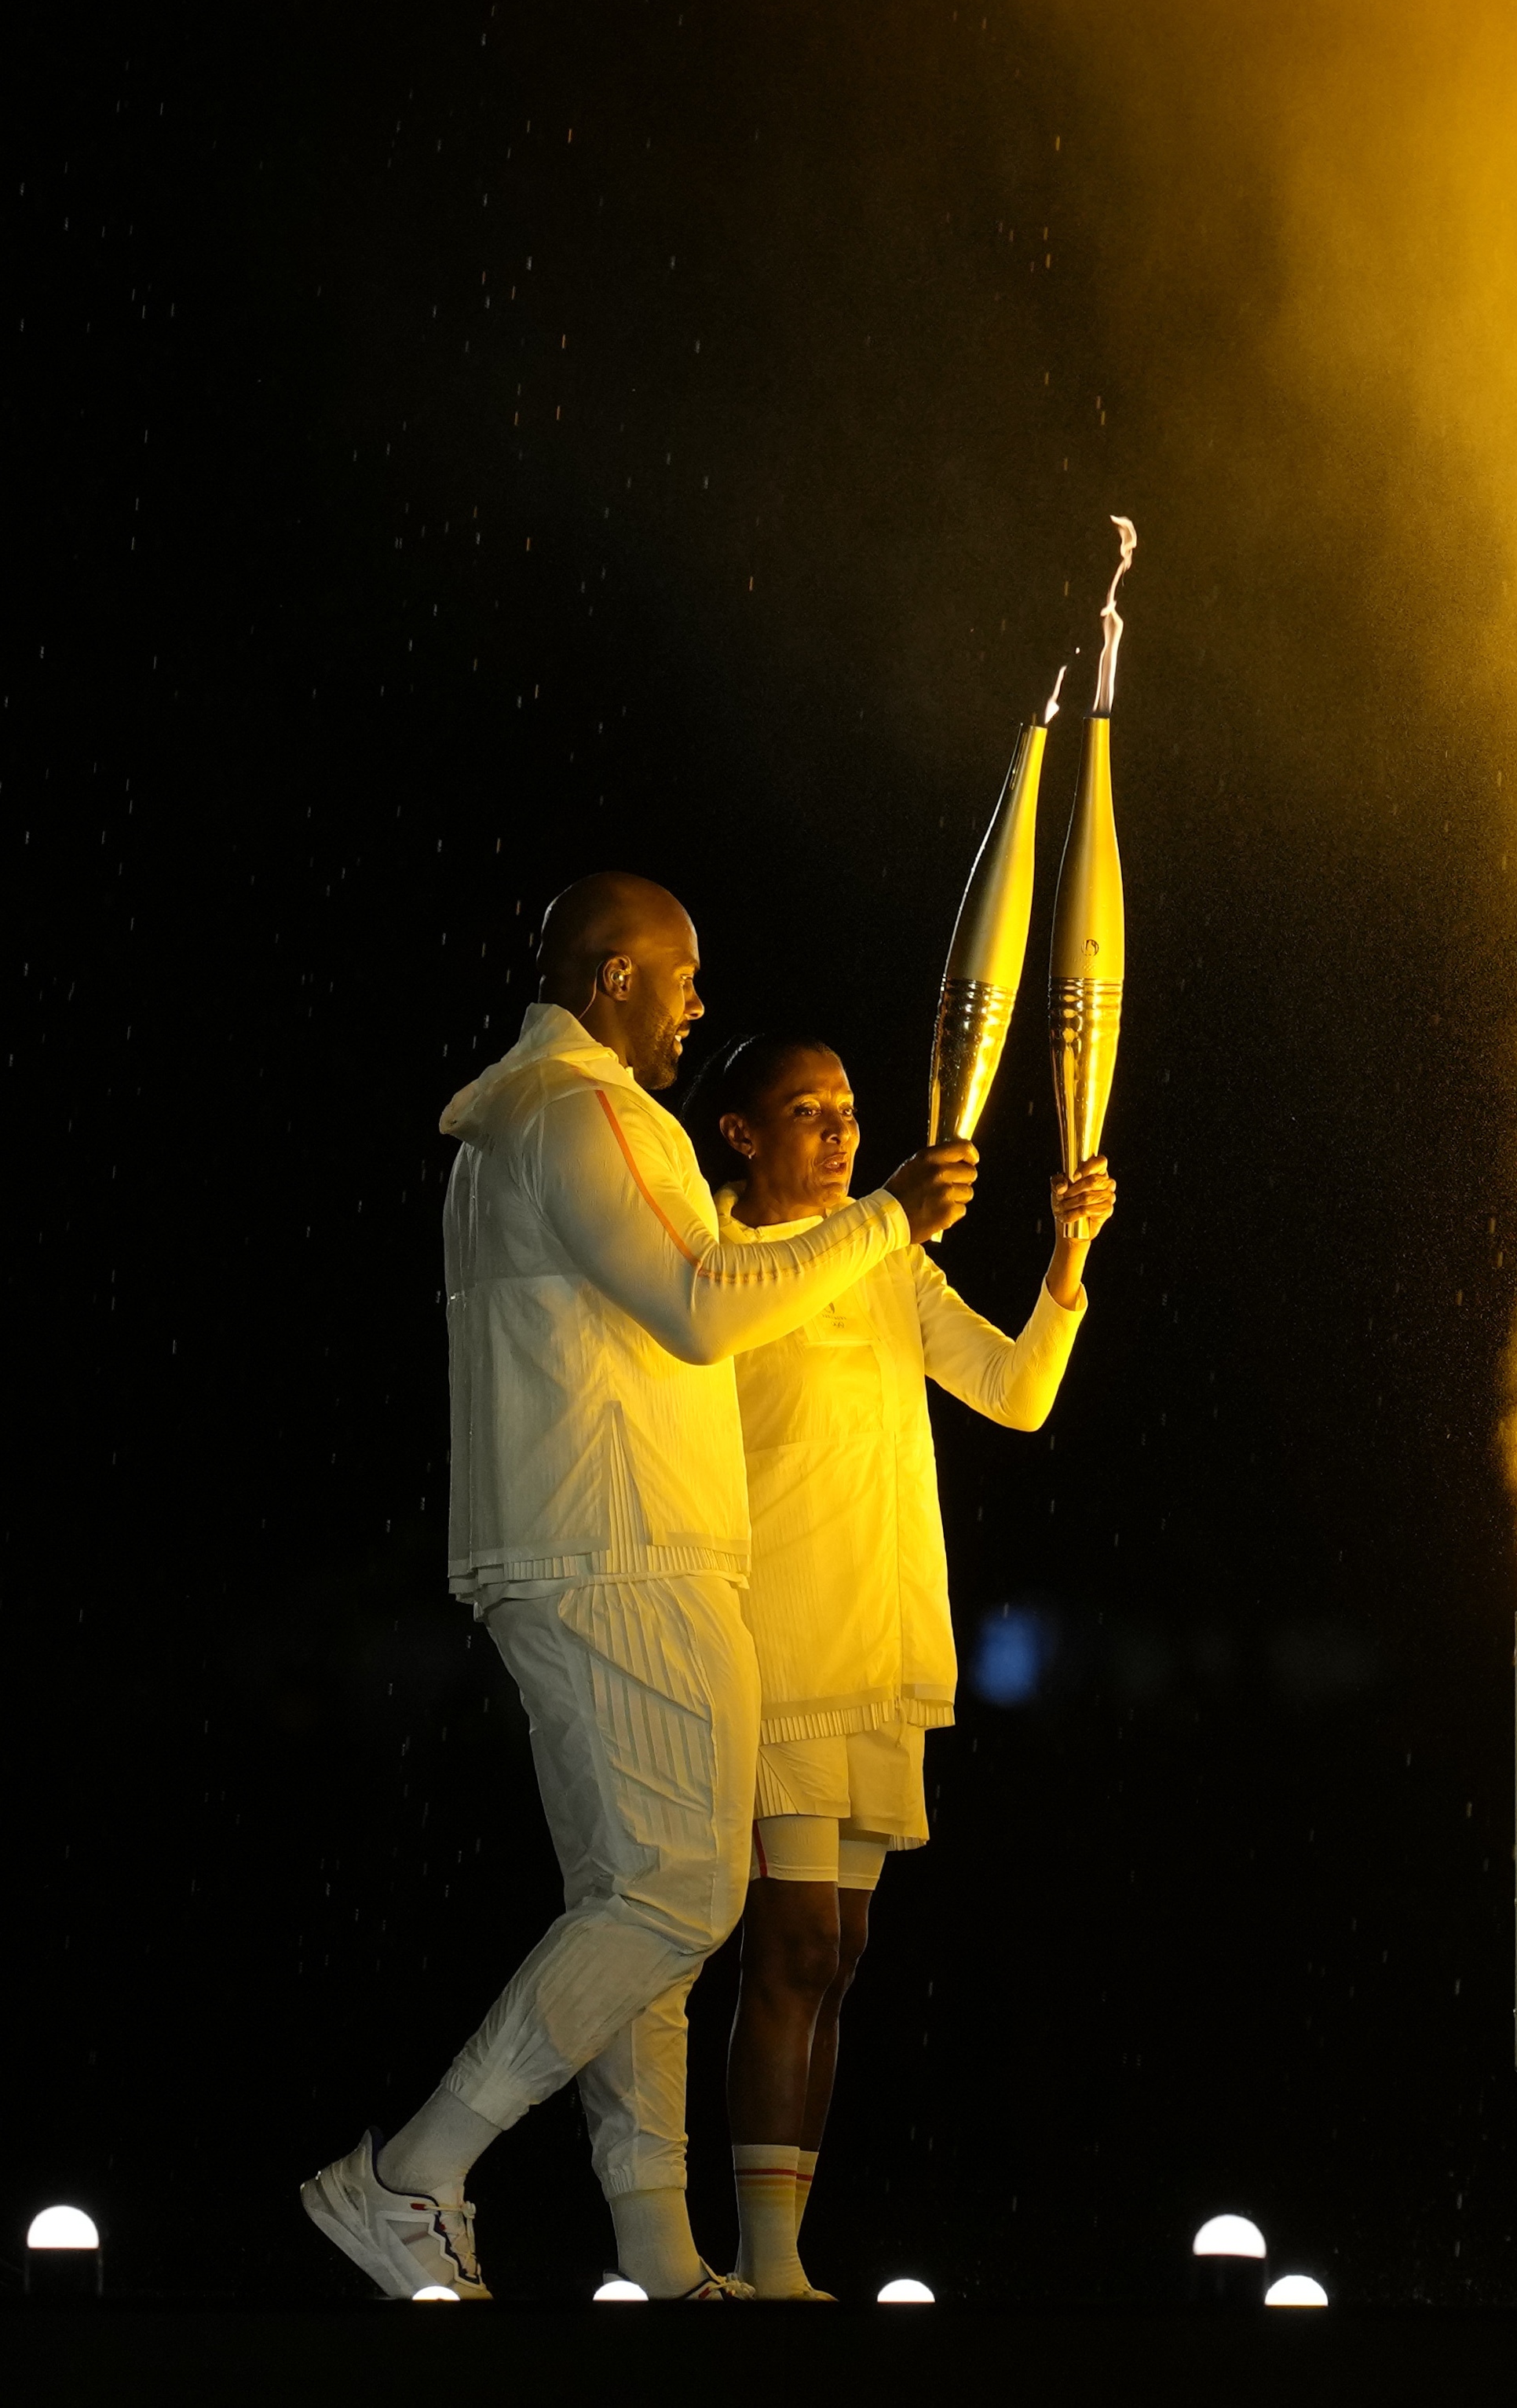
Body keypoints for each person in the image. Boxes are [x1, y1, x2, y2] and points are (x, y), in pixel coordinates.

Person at [299, 876, 977, 2304]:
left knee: (636, 1902)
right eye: (680, 980)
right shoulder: (588, 1112)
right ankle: (415, 2173)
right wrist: (884, 1221)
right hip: (623, 1549)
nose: (697, 1006)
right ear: (614, 980)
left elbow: (703, 1284)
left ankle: (659, 2252)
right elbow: (701, 1304)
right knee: (677, 1896)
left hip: (582, 1546)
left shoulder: (510, 1126)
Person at [693, 1030, 1112, 2302]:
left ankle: (783, 2253)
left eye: (849, 1109)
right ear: (742, 1134)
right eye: (806, 1110)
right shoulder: (715, 1269)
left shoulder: (890, 1265)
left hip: (881, 1646)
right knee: (795, 1950)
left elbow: (1015, 1391)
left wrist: (1067, 1250)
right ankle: (762, 2266)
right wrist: (883, 1217)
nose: (838, 1130)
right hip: (776, 1650)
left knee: (842, 1958)